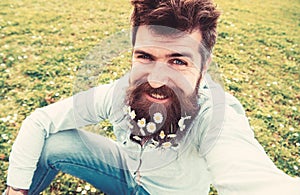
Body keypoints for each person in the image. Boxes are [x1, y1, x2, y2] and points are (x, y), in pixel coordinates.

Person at [4, 0, 300, 194]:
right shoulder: (119, 91)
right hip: (126, 175)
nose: (157, 80)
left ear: (205, 65)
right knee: (54, 143)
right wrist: (16, 190)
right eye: (145, 56)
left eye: (178, 61)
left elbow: (256, 181)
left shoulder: (216, 117)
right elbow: (40, 120)